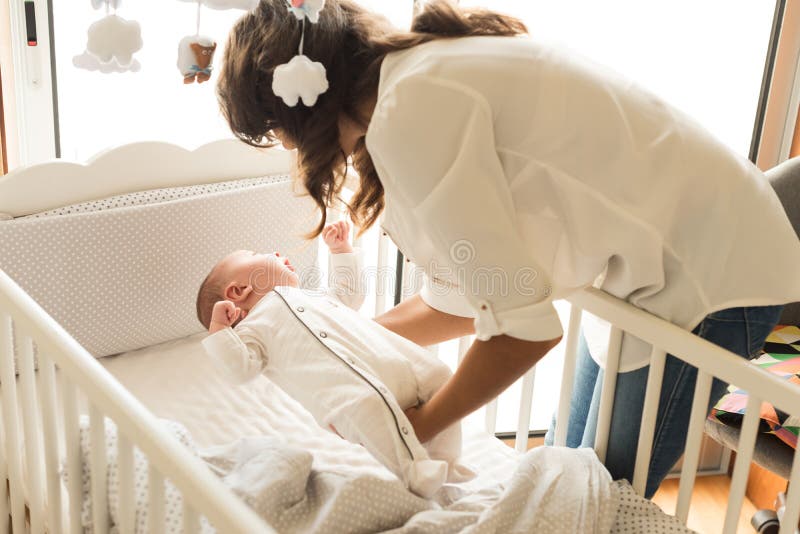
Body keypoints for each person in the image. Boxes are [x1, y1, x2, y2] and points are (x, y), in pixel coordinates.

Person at [215, 0, 800, 496]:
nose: (291, 149)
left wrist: (418, 422)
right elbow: (462, 298)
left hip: (714, 266)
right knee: (572, 473)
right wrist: (341, 345)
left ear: (297, 112)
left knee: (595, 498)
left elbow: (525, 328)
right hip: (651, 264)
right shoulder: (416, 79)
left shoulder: (411, 114)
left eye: (277, 136)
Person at [196, 220, 475, 498]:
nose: (276, 253)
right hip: (345, 394)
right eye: (257, 255)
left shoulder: (309, 295)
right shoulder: (252, 330)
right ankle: (414, 472)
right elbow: (239, 370)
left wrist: (341, 252)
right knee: (374, 413)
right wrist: (221, 331)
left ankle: (447, 461)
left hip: (387, 358)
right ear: (238, 291)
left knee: (440, 374)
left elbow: (349, 295)